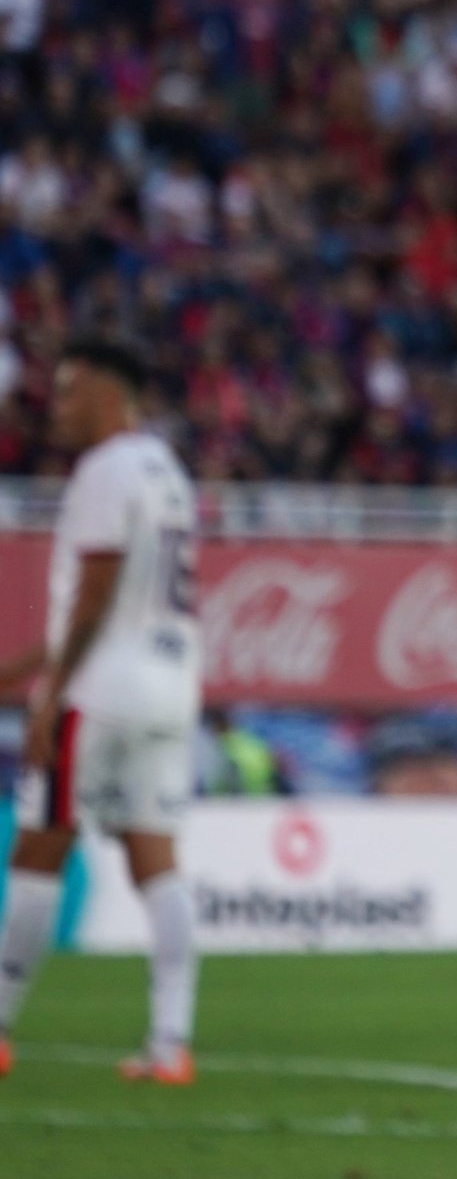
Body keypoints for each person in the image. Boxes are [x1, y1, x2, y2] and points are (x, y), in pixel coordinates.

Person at [0, 337, 202, 1085]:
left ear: (108, 394)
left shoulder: (104, 470)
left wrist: (49, 697)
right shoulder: (168, 472)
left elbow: (95, 596)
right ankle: (169, 1044)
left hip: (103, 691)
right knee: (157, 860)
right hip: (171, 688)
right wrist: (20, 673)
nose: (57, 407)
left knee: (40, 848)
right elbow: (108, 613)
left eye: (69, 390)